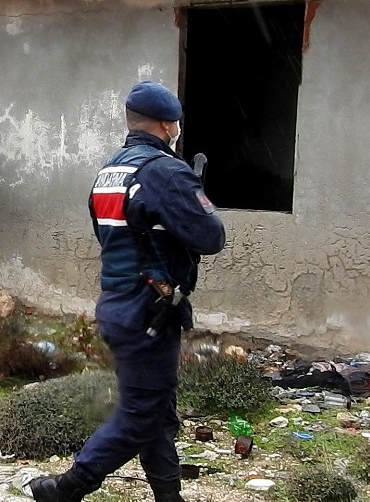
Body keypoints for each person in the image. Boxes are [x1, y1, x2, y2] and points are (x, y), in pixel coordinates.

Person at [29, 81, 226, 502]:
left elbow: (109, 236)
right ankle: (66, 489)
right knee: (141, 414)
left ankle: (169, 496)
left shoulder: (110, 171)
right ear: (168, 124)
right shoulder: (165, 172)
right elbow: (211, 236)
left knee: (157, 409)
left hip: (118, 306)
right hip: (148, 312)